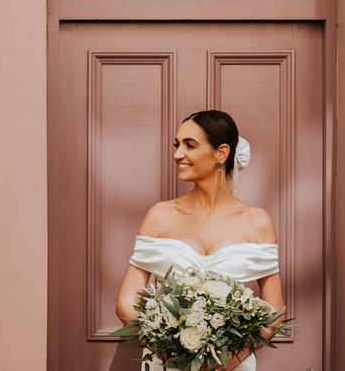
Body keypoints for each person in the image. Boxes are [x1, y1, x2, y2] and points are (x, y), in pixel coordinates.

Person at [115, 110, 285, 371]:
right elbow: (126, 303)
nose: (177, 154)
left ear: (221, 153)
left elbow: (275, 311)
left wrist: (235, 355)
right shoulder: (160, 216)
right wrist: (169, 348)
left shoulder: (257, 222)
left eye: (189, 145)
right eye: (177, 144)